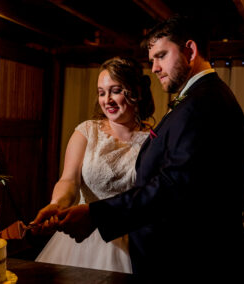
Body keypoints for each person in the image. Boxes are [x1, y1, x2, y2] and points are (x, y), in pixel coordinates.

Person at [53, 15, 244, 283]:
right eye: (152, 61)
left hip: (197, 262)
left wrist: (96, 215)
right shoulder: (202, 98)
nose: (156, 68)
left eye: (161, 56)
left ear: (190, 51)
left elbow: (174, 184)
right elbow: (199, 173)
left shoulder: (200, 103)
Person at [32, 57, 155, 273]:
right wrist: (57, 203)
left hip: (132, 242)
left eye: (115, 90)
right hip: (82, 238)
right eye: (101, 92)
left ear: (136, 91)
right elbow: (69, 180)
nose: (107, 99)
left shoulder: (153, 140)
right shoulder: (87, 131)